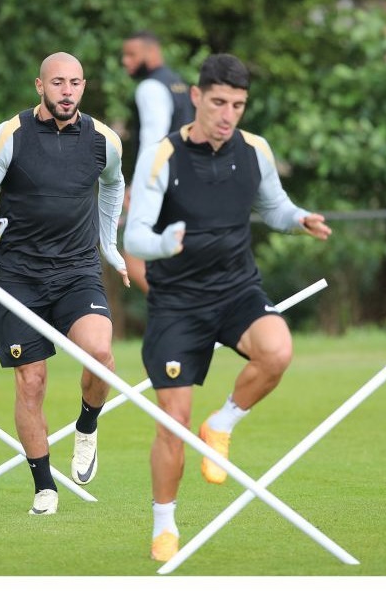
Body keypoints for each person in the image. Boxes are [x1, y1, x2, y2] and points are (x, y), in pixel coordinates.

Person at [124, 53, 332, 561]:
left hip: (237, 290)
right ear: (196, 97)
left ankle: (222, 423)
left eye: (238, 105)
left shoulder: (255, 151)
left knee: (277, 351)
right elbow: (134, 236)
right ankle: (164, 526)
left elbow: (274, 207)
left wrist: (299, 219)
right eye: (218, 102)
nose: (228, 115)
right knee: (173, 424)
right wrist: (163, 244)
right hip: (177, 303)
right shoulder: (162, 156)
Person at [0, 51, 129, 515]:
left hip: (77, 271)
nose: (67, 91)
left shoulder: (104, 140)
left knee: (101, 354)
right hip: (19, 277)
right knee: (31, 382)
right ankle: (44, 487)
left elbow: (113, 185)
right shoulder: (10, 134)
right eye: (57, 83)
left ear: (84, 86)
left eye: (74, 82)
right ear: (40, 86)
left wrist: (109, 244)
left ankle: (87, 425)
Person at [120, 30, 195, 294]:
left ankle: (173, 307)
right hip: (187, 181)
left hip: (161, 183)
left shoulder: (150, 87)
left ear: (152, 52)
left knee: (133, 255)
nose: (125, 61)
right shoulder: (178, 84)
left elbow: (153, 139)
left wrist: (138, 186)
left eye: (131, 54)